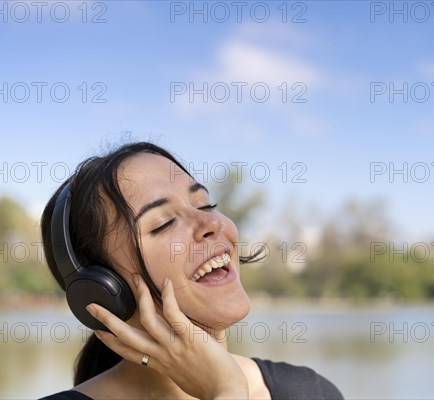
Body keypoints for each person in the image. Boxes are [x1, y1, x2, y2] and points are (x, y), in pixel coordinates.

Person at [39, 142, 343, 399]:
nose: (212, 224)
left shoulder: (308, 391)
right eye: (163, 223)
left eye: (205, 205)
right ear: (103, 289)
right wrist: (226, 390)